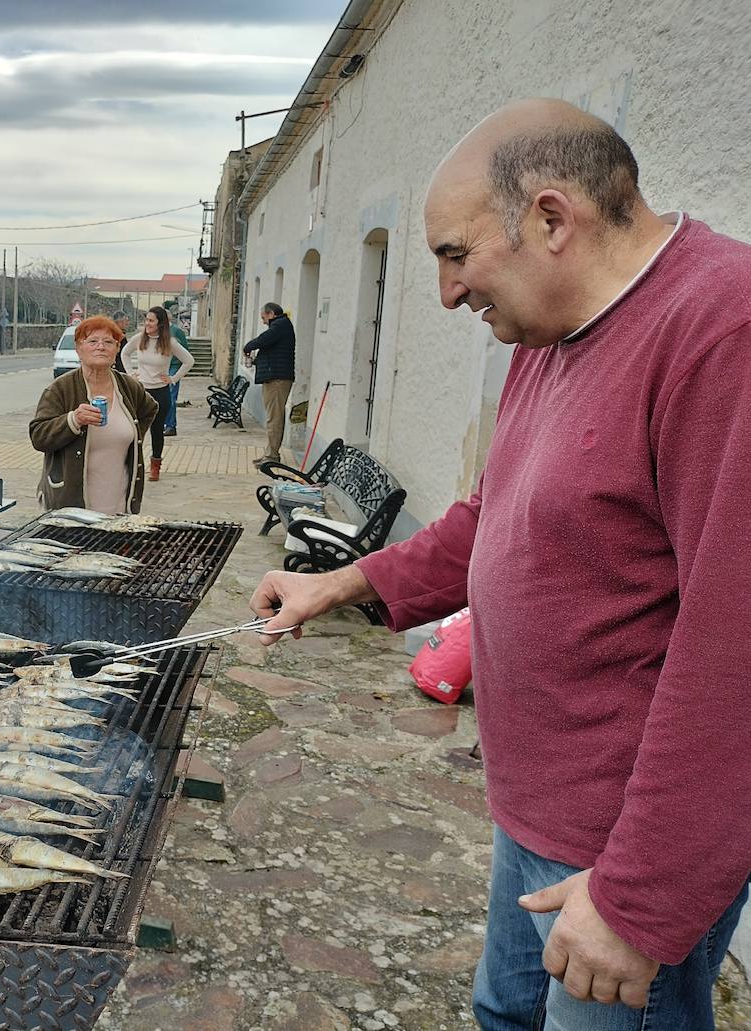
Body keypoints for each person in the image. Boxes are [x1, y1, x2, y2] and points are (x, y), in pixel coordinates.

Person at [249, 98, 751, 1030]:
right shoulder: (550, 334)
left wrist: (640, 900)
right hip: (539, 813)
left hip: (618, 854)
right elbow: (495, 516)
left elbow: (737, 655)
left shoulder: (722, 330)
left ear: (554, 220)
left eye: (454, 255)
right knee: (503, 1014)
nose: (446, 294)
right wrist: (344, 581)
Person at [30, 315, 157, 514]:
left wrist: (133, 436)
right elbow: (38, 436)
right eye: (92, 341)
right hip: (70, 503)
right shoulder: (60, 389)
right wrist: (74, 420)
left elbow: (150, 409)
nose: (101, 347)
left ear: (116, 349)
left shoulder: (128, 387)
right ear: (79, 349)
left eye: (108, 342)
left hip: (119, 500)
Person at [120, 306, 194, 481]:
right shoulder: (139, 338)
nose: (147, 323)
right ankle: (132, 466)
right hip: (140, 392)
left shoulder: (170, 342)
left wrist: (173, 378)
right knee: (134, 431)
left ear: (161, 323)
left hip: (161, 392)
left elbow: (189, 361)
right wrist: (131, 373)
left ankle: (155, 467)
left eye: (151, 320)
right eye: (146, 319)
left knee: (157, 432)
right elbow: (124, 353)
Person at [242, 301, 296, 465]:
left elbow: (262, 340)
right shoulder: (280, 327)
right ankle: (270, 453)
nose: (263, 321)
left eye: (263, 317)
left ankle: (272, 456)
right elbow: (271, 348)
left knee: (275, 418)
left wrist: (248, 346)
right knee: (274, 417)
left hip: (277, 379)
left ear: (271, 313)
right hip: (275, 377)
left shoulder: (280, 325)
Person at [163, 314, 190, 437]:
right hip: (162, 366)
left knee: (171, 396)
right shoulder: (159, 332)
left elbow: (185, 349)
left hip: (173, 365)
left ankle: (171, 426)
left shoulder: (177, 332)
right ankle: (163, 423)